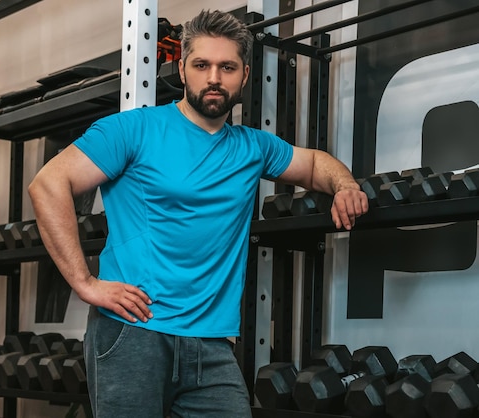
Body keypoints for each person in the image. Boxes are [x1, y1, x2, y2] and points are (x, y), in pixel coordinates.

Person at [28, 9, 368, 418]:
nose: (213, 78)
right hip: (135, 332)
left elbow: (314, 164)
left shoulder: (252, 147)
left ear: (244, 75)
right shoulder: (133, 130)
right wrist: (85, 283)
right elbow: (48, 185)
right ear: (182, 70)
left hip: (211, 343)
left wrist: (345, 185)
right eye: (201, 65)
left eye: (227, 67)